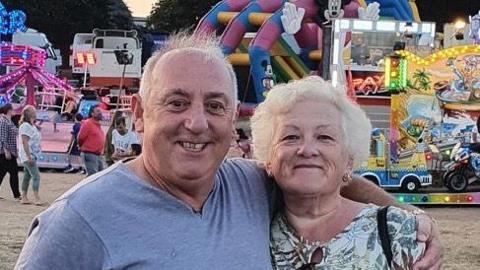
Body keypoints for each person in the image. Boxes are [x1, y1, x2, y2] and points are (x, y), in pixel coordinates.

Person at [15, 33, 442, 269]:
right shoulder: (79, 220)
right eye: (177, 102)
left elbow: (323, 179)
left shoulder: (247, 184)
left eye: (214, 106)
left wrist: (410, 218)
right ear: (140, 113)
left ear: (232, 116)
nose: (197, 123)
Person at [251, 77, 425, 269]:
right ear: (268, 159)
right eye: (290, 137)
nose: (307, 150)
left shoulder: (398, 231)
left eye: (324, 137)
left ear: (349, 160)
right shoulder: (252, 237)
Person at [17, 105, 44, 206]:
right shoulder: (25, 126)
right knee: (36, 176)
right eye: (34, 111)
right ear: (30, 114)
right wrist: (29, 157)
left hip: (33, 154)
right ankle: (36, 198)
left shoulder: (31, 125)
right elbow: (25, 142)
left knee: (27, 176)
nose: (36, 112)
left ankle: (24, 197)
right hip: (28, 155)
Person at [0, 103, 21, 201]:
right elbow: (2, 137)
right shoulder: (3, 121)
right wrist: (6, 150)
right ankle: (17, 195)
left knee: (2, 173)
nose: (15, 111)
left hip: (10, 151)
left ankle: (17, 194)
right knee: (13, 173)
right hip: (6, 152)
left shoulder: (9, 121)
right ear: (9, 110)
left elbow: (16, 131)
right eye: (13, 110)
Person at [77, 105, 105, 175]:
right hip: (90, 154)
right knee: (93, 176)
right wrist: (82, 147)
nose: (100, 113)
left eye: (100, 111)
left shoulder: (97, 125)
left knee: (99, 176)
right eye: (98, 111)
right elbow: (80, 138)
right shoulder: (88, 123)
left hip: (98, 155)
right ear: (92, 114)